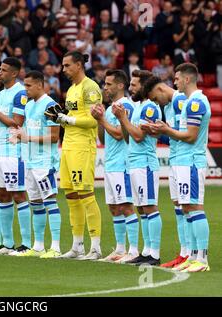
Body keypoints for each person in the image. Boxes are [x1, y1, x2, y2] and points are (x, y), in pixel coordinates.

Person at [145, 63, 211, 273]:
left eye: (177, 78)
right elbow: (180, 136)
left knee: (194, 207)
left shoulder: (195, 103)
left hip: (190, 161)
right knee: (187, 208)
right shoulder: (190, 102)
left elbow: (190, 137)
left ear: (187, 79)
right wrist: (160, 132)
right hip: (183, 161)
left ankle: (202, 258)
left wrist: (165, 129)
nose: (174, 82)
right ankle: (192, 256)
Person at [45, 51, 102, 260]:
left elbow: (93, 120)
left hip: (82, 146)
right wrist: (60, 117)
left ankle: (95, 247)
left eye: (67, 65)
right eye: (63, 65)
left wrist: (66, 120)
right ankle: (77, 245)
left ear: (79, 65)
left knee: (86, 194)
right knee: (70, 195)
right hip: (68, 145)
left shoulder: (90, 87)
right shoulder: (71, 90)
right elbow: (72, 116)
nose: (64, 69)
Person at [112, 70, 162, 266]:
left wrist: (123, 118)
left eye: (134, 85)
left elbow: (140, 137)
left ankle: (155, 254)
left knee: (150, 206)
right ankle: (146, 251)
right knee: (141, 208)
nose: (130, 88)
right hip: (134, 162)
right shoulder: (137, 108)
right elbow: (128, 137)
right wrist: (122, 119)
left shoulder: (150, 108)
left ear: (145, 87)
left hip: (146, 163)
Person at [0, 57, 31, 255]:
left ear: (14, 73)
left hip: (14, 150)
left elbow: (17, 122)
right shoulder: (0, 94)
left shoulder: (20, 93)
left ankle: (26, 243)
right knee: (2, 193)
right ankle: (7, 243)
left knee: (18, 194)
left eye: (3, 70)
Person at [10, 70, 62, 258]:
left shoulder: (52, 105)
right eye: (24, 85)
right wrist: (19, 137)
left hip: (44, 162)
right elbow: (27, 130)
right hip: (30, 162)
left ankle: (55, 247)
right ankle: (38, 246)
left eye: (29, 86)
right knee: (36, 204)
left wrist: (27, 137)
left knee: (50, 201)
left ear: (40, 85)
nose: (25, 90)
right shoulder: (30, 105)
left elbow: (55, 137)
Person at [90, 69, 139, 263]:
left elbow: (119, 134)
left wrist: (102, 120)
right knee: (113, 207)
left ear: (120, 85)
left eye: (109, 84)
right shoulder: (111, 108)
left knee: (125, 205)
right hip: (111, 164)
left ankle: (133, 250)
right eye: (105, 84)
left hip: (123, 164)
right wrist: (99, 119)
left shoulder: (125, 105)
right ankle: (120, 248)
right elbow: (104, 138)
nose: (105, 87)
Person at [141, 75, 189, 269]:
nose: (155, 103)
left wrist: (163, 131)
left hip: (186, 159)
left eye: (154, 98)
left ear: (160, 90)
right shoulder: (169, 107)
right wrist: (158, 132)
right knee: (179, 207)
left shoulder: (179, 100)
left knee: (188, 208)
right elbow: (174, 136)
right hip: (175, 159)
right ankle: (184, 253)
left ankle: (192, 254)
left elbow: (187, 134)